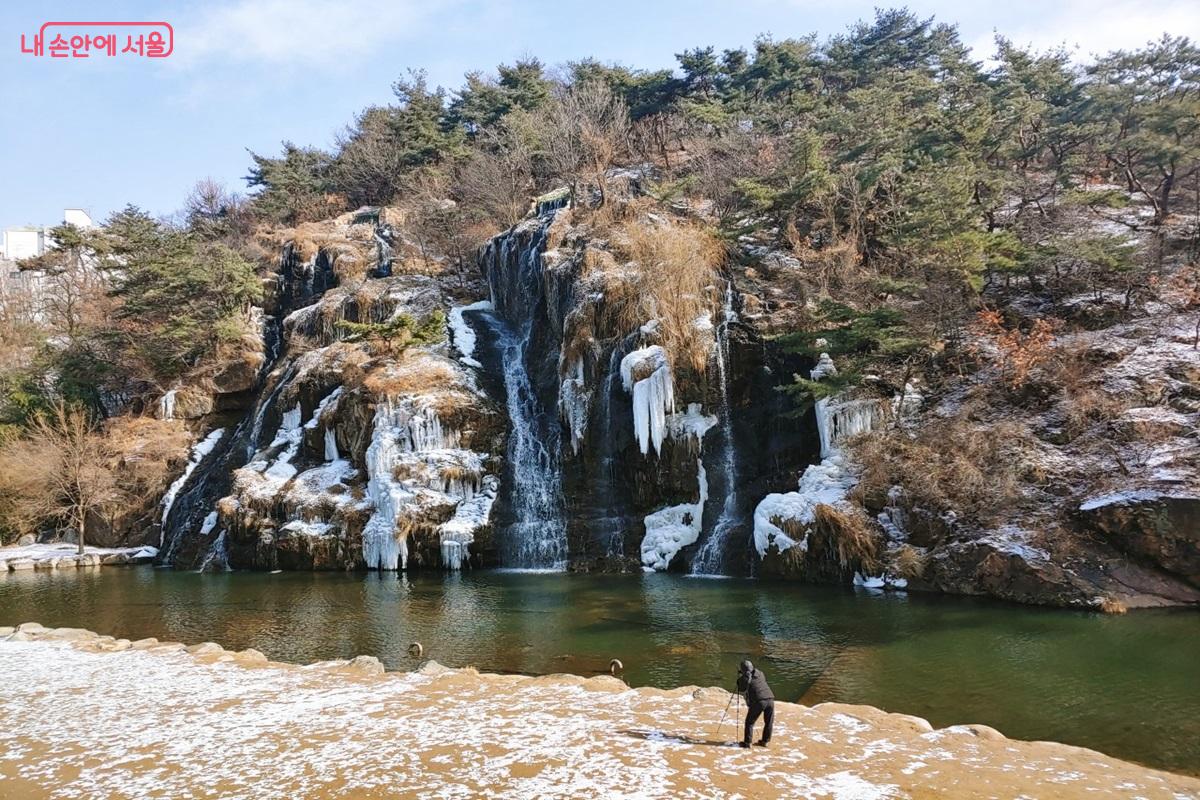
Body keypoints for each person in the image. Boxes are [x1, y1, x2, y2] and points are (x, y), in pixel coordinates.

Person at [736, 659, 774, 748]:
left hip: (759, 701)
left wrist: (741, 677)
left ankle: (747, 743)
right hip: (770, 699)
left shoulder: (745, 678)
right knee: (769, 722)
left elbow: (742, 688)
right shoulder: (760, 673)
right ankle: (765, 741)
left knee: (749, 722)